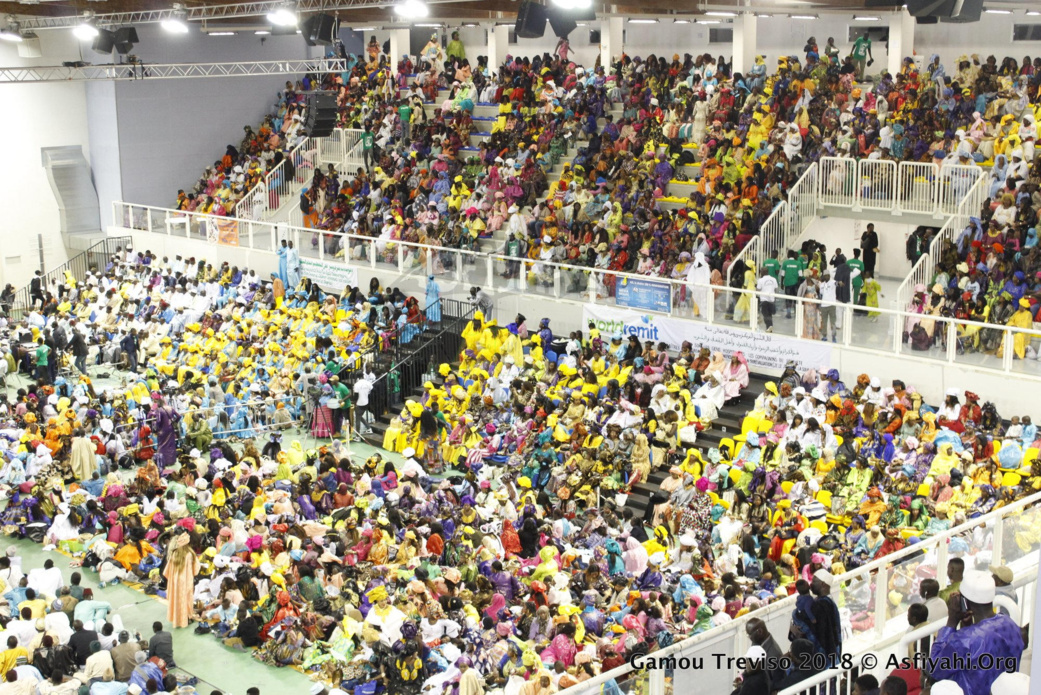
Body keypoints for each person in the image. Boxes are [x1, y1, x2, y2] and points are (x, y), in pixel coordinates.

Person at [928, 570, 1025, 694]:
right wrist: (968, 626)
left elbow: (935, 668)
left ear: (966, 603)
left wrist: (951, 622)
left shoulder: (965, 639)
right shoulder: (1010, 624)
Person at [162, 532, 199, 629]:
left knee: (176, 600)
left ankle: (176, 618)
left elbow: (167, 571)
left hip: (175, 582)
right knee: (186, 600)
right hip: (186, 581)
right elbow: (195, 570)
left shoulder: (174, 553)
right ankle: (186, 618)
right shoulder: (190, 554)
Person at [811, 569, 843, 665]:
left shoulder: (823, 605)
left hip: (826, 654)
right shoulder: (826, 602)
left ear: (823, 584)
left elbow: (823, 632)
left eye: (814, 581)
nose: (811, 584)